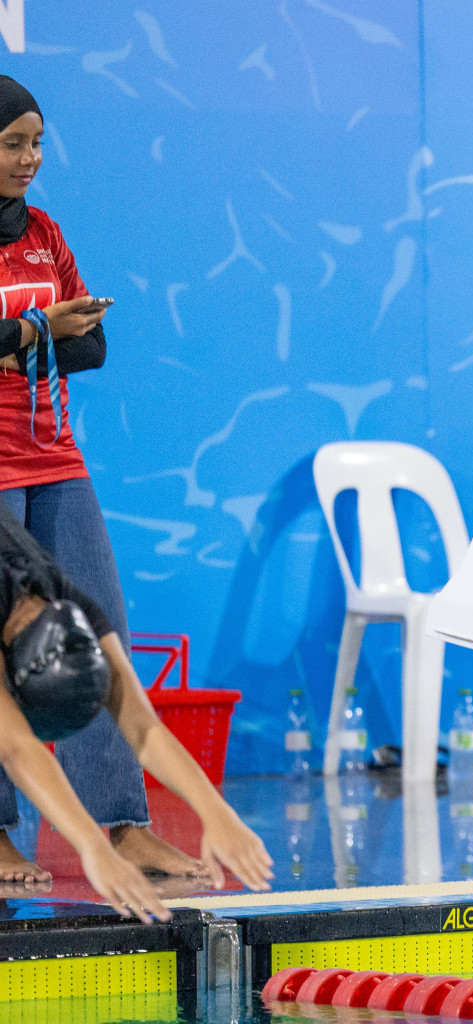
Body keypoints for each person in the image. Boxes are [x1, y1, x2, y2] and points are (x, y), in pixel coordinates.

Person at [0, 75, 203, 882]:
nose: (30, 159)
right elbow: (55, 331)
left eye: (37, 143)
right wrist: (36, 329)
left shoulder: (44, 233)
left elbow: (93, 346)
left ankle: (122, 823)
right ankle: (0, 835)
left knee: (96, 633)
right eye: (14, 143)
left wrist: (31, 337)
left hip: (54, 456)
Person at [0, 504, 273, 920]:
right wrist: (90, 843)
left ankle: (128, 833)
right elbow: (18, 749)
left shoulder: (74, 608)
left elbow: (143, 729)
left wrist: (218, 813)